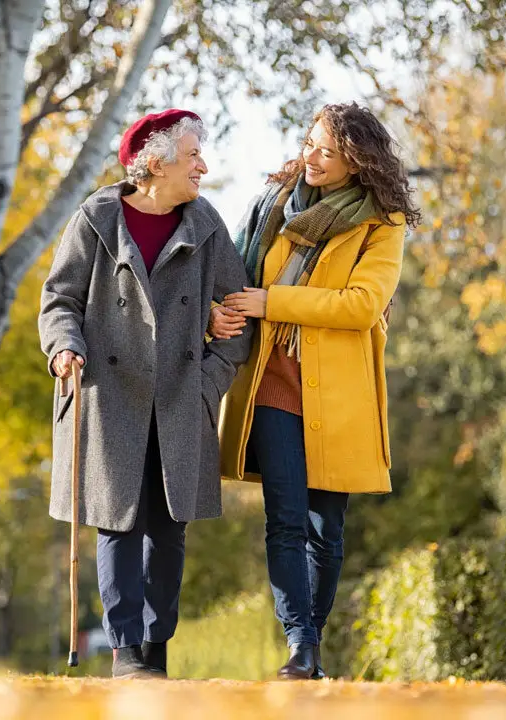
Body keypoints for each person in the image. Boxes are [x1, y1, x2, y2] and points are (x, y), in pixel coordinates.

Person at [210, 102, 421, 680]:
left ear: (357, 163)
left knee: (327, 529)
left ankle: (313, 641)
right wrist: (218, 311)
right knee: (285, 518)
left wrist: (273, 302)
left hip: (340, 394)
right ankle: (300, 647)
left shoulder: (382, 224)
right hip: (273, 381)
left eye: (327, 152)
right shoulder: (274, 206)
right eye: (309, 143)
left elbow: (361, 305)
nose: (312, 158)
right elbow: (232, 273)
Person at [39, 109, 253, 679]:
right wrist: (63, 347)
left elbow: (239, 316)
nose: (203, 167)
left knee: (168, 527)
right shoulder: (96, 219)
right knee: (119, 523)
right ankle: (126, 651)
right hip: (110, 395)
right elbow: (60, 300)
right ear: (155, 165)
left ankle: (157, 648)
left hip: (181, 398)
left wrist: (208, 383)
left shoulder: (206, 223)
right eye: (192, 157)